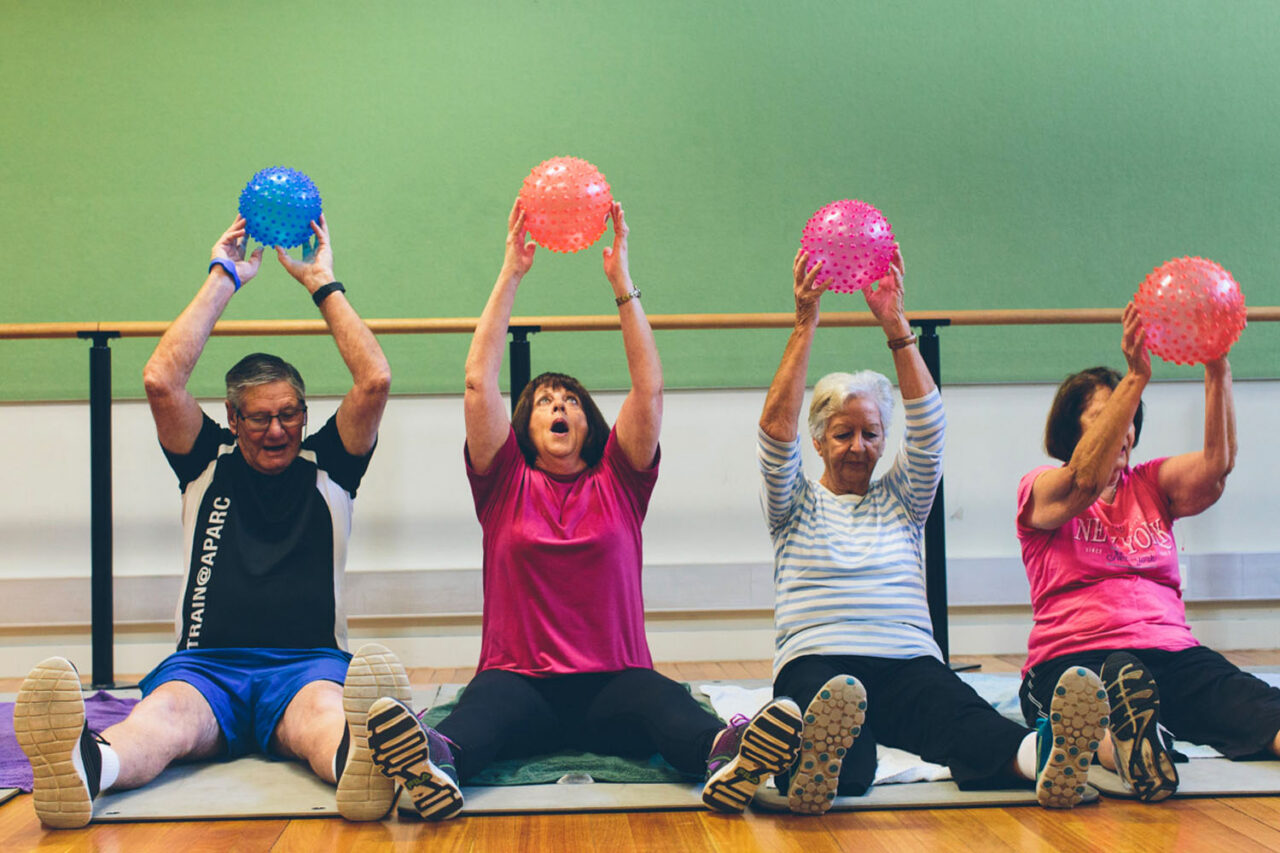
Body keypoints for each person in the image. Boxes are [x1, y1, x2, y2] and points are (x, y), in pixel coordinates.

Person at [361, 200, 804, 820]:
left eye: (569, 398)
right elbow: (476, 384)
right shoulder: (502, 480)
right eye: (544, 400)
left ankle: (732, 758)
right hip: (519, 683)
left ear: (587, 418)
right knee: (477, 715)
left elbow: (648, 388)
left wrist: (622, 283)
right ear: (527, 424)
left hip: (613, 686)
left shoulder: (621, 480)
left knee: (667, 705)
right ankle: (434, 762)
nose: (558, 405)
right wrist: (511, 273)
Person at [14, 215, 410, 828]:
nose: (277, 430)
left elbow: (375, 379)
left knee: (323, 721)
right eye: (258, 418)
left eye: (289, 415)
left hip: (306, 663)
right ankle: (89, 769)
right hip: (206, 665)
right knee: (159, 722)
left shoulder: (330, 465)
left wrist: (322, 283)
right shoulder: (205, 462)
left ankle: (362, 762)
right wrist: (225, 276)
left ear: (305, 415)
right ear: (231, 417)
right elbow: (159, 378)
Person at [758, 248, 1109, 815]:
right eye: (843, 434)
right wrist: (805, 325)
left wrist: (896, 326)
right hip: (817, 658)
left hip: (906, 658)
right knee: (842, 742)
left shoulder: (903, 497)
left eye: (871, 433)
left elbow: (929, 430)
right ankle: (815, 767)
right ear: (818, 441)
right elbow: (775, 436)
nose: (858, 446)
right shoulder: (793, 501)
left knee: (964, 718)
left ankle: (1046, 760)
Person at [1016, 303, 1280, 802]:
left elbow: (1216, 467)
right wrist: (1137, 374)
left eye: (1130, 419)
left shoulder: (1151, 484)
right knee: (1085, 713)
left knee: (1255, 705)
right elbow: (1083, 480)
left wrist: (1217, 366)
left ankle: (1144, 736)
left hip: (1171, 653)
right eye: (1108, 419)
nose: (1125, 431)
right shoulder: (1042, 486)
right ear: (1072, 431)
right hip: (1074, 656)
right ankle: (1135, 750)